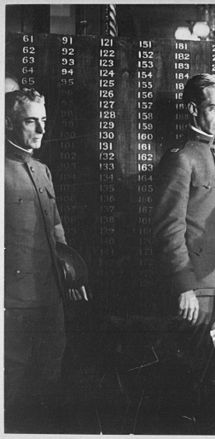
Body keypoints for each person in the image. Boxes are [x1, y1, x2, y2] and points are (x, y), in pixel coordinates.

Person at [152, 73, 215, 423]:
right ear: (192, 110)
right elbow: (169, 229)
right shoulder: (181, 159)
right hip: (196, 289)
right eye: (214, 108)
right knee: (191, 384)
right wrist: (184, 285)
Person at [5, 88, 87, 432]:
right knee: (12, 387)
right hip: (14, 302)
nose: (40, 130)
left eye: (43, 121)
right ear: (8, 122)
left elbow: (56, 231)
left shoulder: (42, 171)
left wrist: (72, 278)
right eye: (30, 121)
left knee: (49, 380)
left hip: (50, 298)